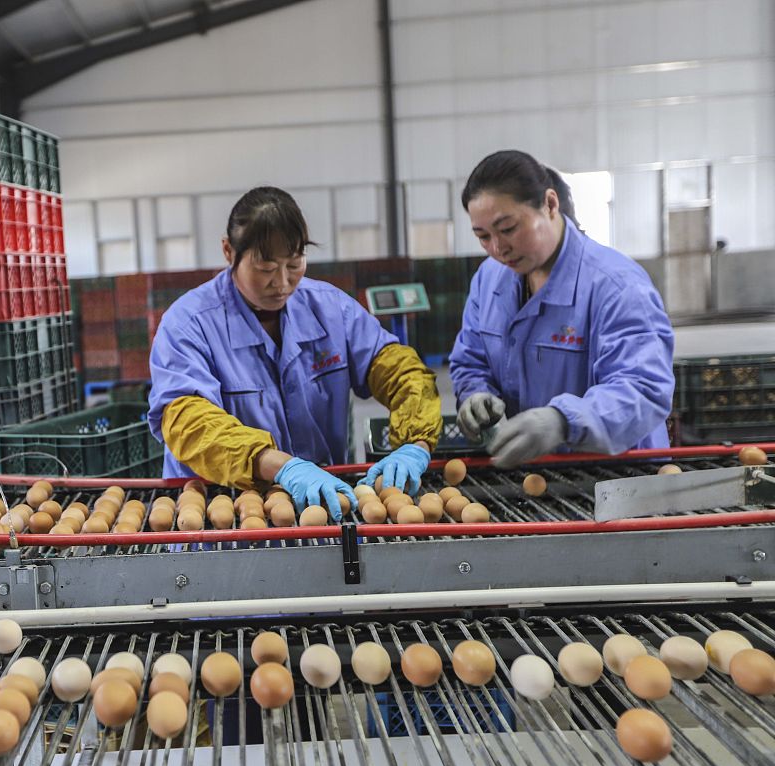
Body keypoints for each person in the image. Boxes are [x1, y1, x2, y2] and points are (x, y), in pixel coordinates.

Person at [148, 186, 442, 520]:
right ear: (229, 252)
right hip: (218, 518)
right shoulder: (188, 324)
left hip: (322, 506)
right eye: (266, 267)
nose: (283, 282)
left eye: (294, 263)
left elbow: (401, 371)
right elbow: (189, 422)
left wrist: (415, 444)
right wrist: (282, 467)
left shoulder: (331, 310)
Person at [449, 150, 674, 467]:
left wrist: (563, 420)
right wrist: (475, 395)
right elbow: (471, 359)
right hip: (537, 478)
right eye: (483, 236)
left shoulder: (616, 286)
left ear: (550, 204)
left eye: (509, 228)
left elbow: (643, 390)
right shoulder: (489, 280)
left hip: (622, 479)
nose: (498, 249)